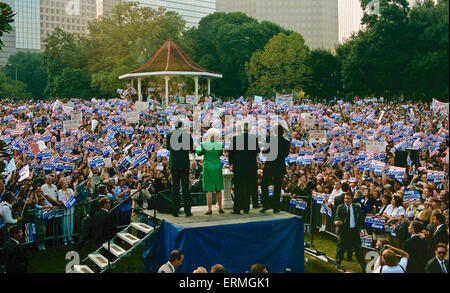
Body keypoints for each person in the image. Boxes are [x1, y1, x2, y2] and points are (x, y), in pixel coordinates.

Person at [228, 122, 260, 214]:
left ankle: (237, 209)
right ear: (249, 129)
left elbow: (231, 153)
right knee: (248, 187)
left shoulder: (235, 138)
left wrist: (231, 163)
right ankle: (246, 208)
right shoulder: (254, 138)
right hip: (250, 166)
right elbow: (257, 151)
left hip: (239, 166)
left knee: (238, 188)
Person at [260, 124, 290, 214]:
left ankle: (265, 205)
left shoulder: (270, 140)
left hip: (270, 165)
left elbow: (264, 152)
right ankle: (276, 207)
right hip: (280, 166)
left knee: (264, 185)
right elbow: (286, 154)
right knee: (277, 187)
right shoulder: (286, 142)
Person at [166, 121, 193, 217]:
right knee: (186, 188)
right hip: (184, 164)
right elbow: (191, 148)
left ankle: (175, 211)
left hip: (174, 164)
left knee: (175, 188)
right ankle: (187, 211)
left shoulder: (169, 135)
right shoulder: (187, 135)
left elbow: (168, 148)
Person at [334, 194, 367, 272]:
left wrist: (363, 228)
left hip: (354, 231)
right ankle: (338, 263)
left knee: (358, 250)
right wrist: (337, 221)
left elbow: (361, 218)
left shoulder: (356, 207)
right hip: (343, 231)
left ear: (352, 199)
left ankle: (364, 267)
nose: (346, 200)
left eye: (348, 198)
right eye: (345, 198)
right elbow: (337, 217)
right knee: (341, 249)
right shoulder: (340, 207)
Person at [196, 128, 225, 215]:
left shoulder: (204, 144)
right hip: (217, 166)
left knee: (208, 189)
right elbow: (220, 154)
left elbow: (198, 153)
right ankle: (220, 207)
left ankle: (209, 209)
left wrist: (198, 146)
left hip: (208, 167)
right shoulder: (220, 145)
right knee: (218, 188)